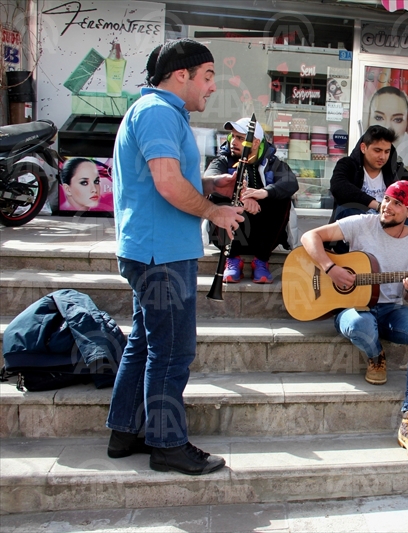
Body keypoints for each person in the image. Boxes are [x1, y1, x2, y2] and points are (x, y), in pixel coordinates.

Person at [106, 39, 244, 476]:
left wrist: (210, 184)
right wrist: (214, 211)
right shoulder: (159, 113)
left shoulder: (159, 113)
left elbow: (168, 178)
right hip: (160, 254)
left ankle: (124, 430)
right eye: (207, 77)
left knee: (146, 343)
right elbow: (166, 184)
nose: (211, 87)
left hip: (154, 251)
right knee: (171, 352)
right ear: (180, 75)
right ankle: (167, 443)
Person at [300, 181, 408, 462]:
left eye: (397, 203)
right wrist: (331, 268)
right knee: (358, 325)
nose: (387, 206)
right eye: (386, 199)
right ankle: (376, 355)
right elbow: (309, 237)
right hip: (354, 306)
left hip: (390, 311)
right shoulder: (362, 223)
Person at [204, 117, 299, 283]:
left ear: (255, 143)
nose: (234, 141)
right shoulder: (222, 160)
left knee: (281, 199)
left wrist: (263, 193)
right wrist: (243, 197)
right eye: (232, 136)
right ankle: (232, 260)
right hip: (230, 236)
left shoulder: (273, 163)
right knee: (217, 196)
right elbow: (210, 179)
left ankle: (261, 261)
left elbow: (291, 183)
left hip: (263, 238)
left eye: (240, 138)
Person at [328, 125, 408, 253]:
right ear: (363, 148)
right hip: (361, 225)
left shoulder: (395, 170)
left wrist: (401, 208)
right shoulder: (348, 164)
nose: (382, 156)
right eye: (377, 150)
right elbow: (338, 187)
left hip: (389, 224)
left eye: (387, 151)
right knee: (346, 209)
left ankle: (386, 245)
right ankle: (380, 248)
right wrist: (377, 206)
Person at [367, 86, 408, 170]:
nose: (388, 127)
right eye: (379, 118)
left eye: (397, 119)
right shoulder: (350, 165)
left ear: (407, 122)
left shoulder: (404, 170)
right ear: (367, 119)